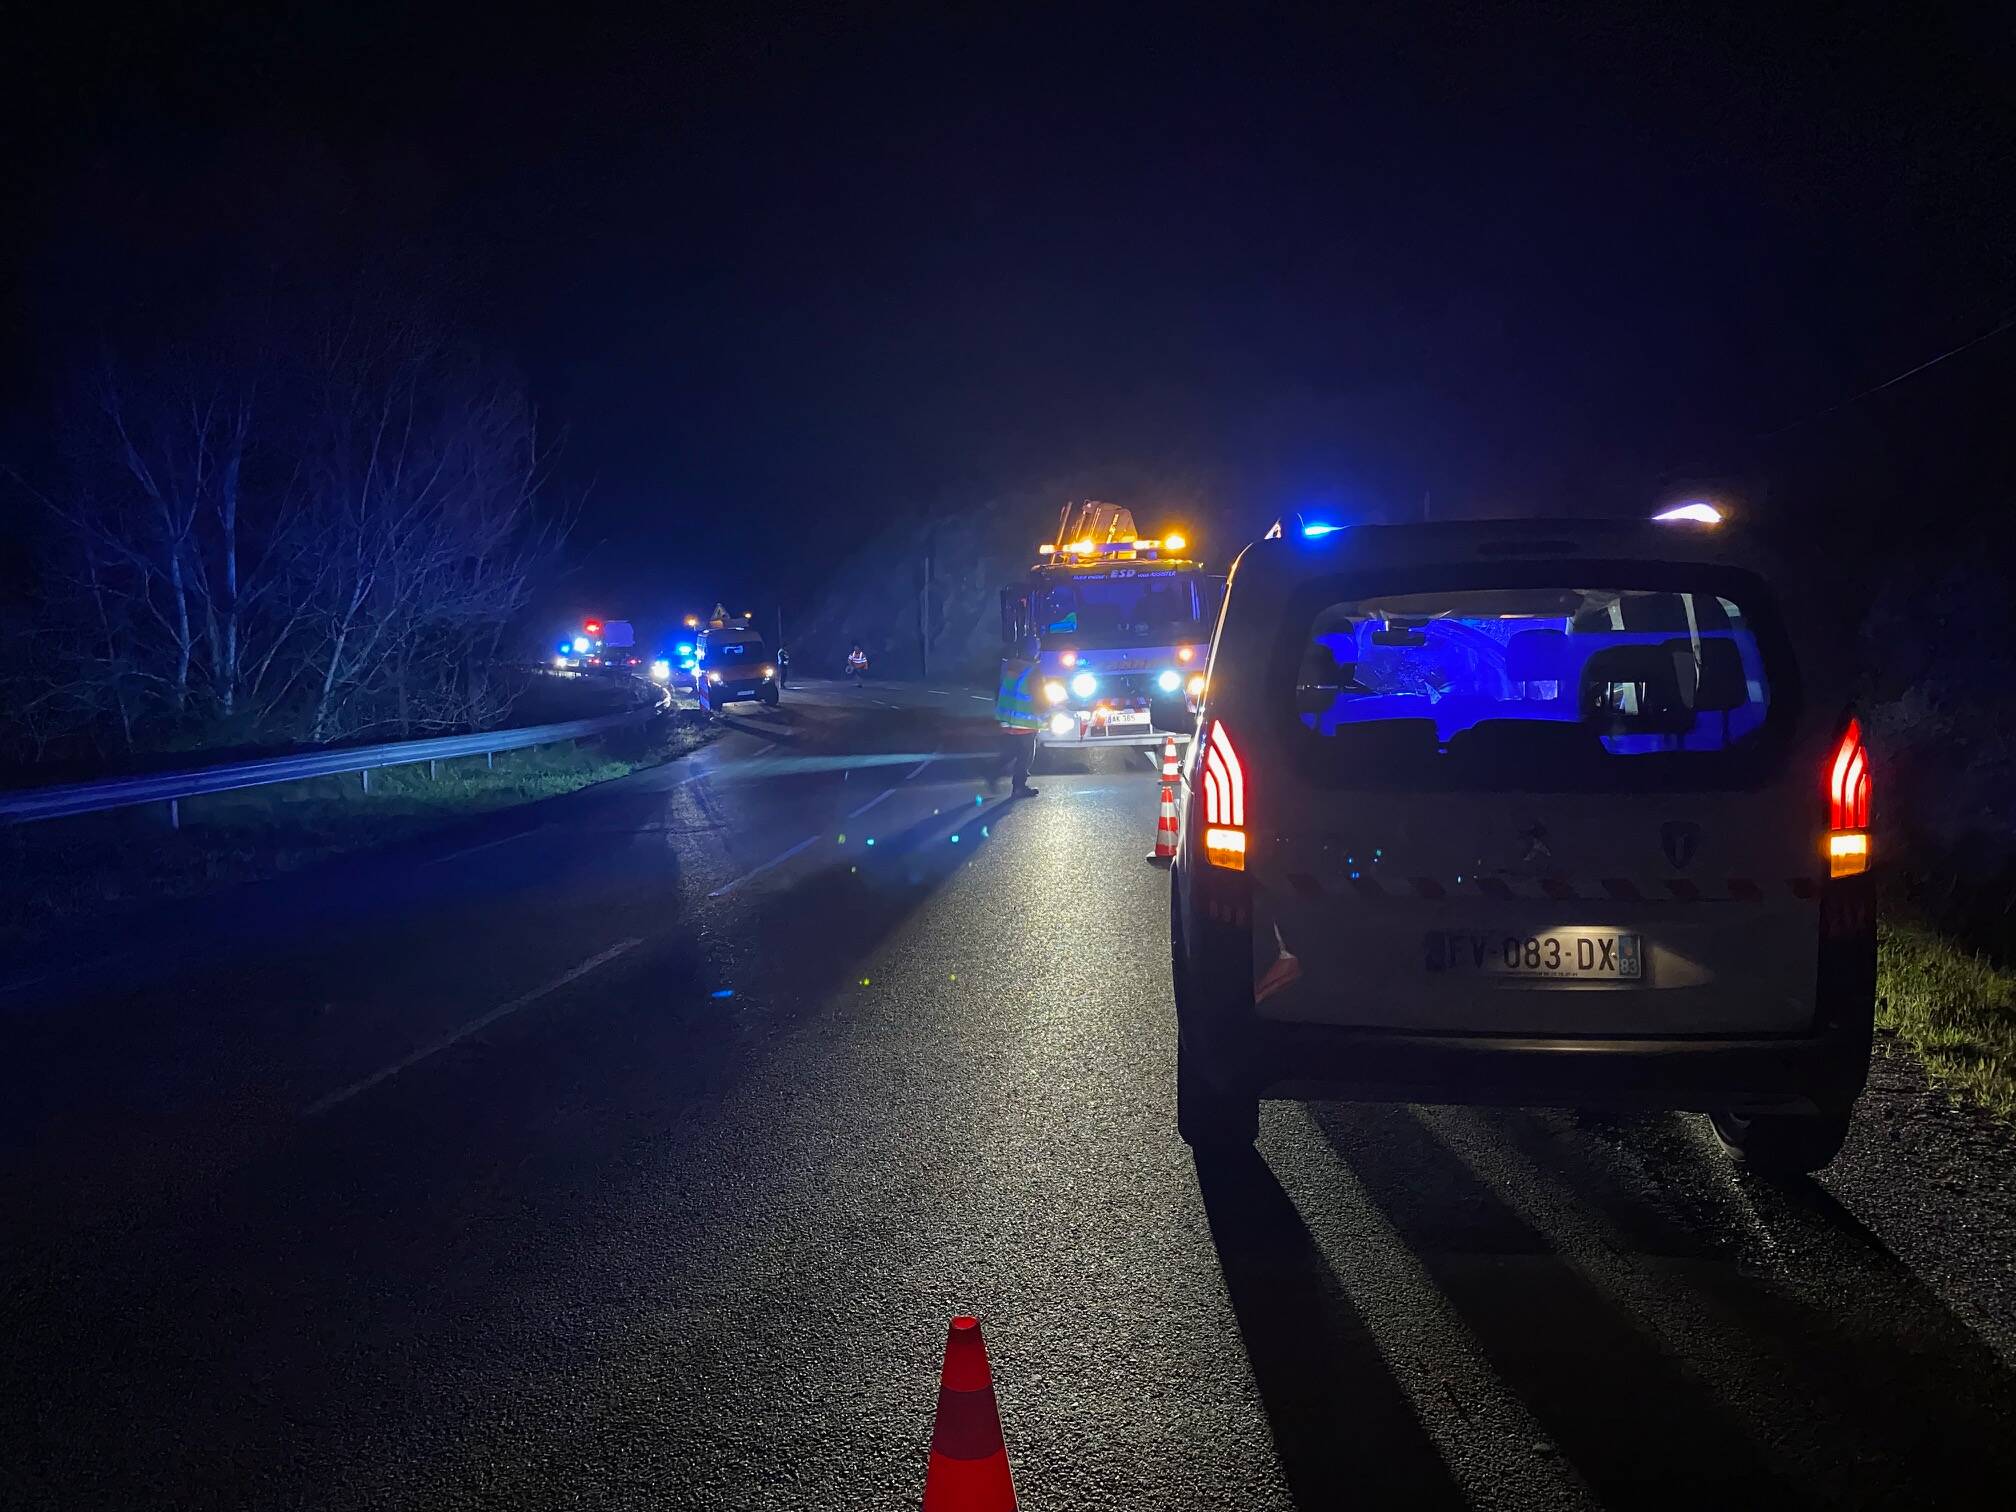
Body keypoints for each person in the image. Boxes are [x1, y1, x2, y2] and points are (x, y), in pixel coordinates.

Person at [990, 657, 1040, 798]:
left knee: (1014, 752)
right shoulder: (1033, 671)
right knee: (1025, 756)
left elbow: (1002, 694)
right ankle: (1018, 787)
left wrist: (1003, 720)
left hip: (1011, 719)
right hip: (1027, 720)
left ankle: (992, 772)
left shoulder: (1010, 669)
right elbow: (1040, 698)